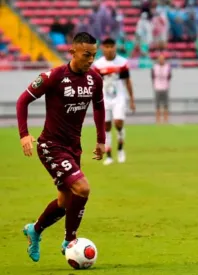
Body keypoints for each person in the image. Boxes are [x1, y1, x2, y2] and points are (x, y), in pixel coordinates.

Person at [16, 32, 105, 262]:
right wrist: (24, 134)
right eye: (87, 55)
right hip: (50, 146)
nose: (91, 60)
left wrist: (101, 140)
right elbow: (22, 100)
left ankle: (34, 230)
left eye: (94, 55)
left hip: (73, 148)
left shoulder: (95, 79)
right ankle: (69, 241)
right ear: (73, 52)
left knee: (65, 202)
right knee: (82, 189)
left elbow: (99, 108)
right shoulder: (54, 76)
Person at [92, 38, 136, 165]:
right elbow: (95, 84)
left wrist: (132, 99)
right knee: (106, 126)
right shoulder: (98, 65)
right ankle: (109, 156)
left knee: (118, 123)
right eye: (107, 47)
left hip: (119, 97)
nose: (109, 49)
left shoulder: (122, 63)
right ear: (102, 48)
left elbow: (127, 81)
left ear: (115, 47)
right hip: (104, 98)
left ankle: (121, 149)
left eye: (112, 46)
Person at [151, 53, 172, 124]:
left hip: (165, 87)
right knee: (157, 104)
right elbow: (152, 76)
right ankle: (158, 120)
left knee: (166, 104)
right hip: (157, 87)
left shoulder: (167, 66)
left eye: (162, 59)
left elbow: (169, 76)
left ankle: (166, 119)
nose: (161, 60)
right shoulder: (155, 67)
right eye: (160, 59)